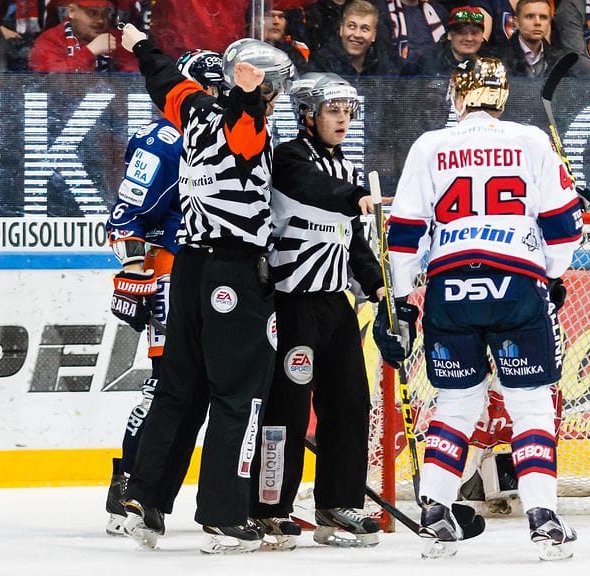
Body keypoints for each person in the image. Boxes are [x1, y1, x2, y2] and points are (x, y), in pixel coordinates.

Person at [376, 56, 583, 560]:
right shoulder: (531, 139)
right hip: (516, 282)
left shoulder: (430, 144)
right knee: (530, 403)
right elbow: (563, 223)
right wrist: (552, 275)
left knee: (455, 406)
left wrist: (402, 301)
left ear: (458, 94)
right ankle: (543, 519)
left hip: (449, 287)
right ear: (503, 95)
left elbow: (403, 233)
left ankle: (436, 516)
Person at [117, 23, 295, 554]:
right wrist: (248, 96)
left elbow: (164, 80)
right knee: (239, 395)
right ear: (257, 88)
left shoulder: (193, 113)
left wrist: (141, 45)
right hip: (234, 274)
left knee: (178, 386)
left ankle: (144, 498)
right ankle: (223, 515)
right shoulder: (247, 124)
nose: (275, 98)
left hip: (191, 268)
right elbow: (244, 132)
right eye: (272, 89)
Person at [246, 73, 385, 550]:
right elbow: (313, 190)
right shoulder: (287, 159)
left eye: (348, 109)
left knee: (350, 403)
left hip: (334, 304)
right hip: (292, 304)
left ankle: (336, 503)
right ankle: (269, 507)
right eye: (333, 109)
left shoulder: (346, 166)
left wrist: (377, 284)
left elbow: (354, 240)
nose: (343, 118)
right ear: (307, 115)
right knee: (286, 409)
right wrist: (355, 198)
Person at [102, 48, 226, 537]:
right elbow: (124, 217)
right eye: (207, 88)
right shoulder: (163, 141)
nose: (214, 98)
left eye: (220, 90)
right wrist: (134, 271)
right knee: (166, 386)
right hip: (173, 275)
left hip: (223, 279)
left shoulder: (229, 131)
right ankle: (129, 483)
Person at [28, 0, 137, 72]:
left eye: (105, 13)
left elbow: (135, 79)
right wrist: (90, 52)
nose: (100, 20)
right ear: (71, 11)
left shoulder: (118, 39)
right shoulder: (49, 40)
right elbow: (51, 83)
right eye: (92, 13)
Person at [310, 0, 402, 77]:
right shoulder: (321, 64)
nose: (357, 34)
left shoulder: (385, 67)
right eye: (351, 26)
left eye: (365, 29)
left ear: (374, 35)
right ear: (341, 29)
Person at [495, 0, 563, 78]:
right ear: (516, 22)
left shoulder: (559, 60)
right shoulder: (499, 59)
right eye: (530, 16)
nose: (538, 22)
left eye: (543, 17)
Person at [418, 5, 489, 76]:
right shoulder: (429, 64)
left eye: (474, 33)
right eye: (462, 32)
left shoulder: (491, 65)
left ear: (482, 36)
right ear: (449, 35)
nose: (469, 38)